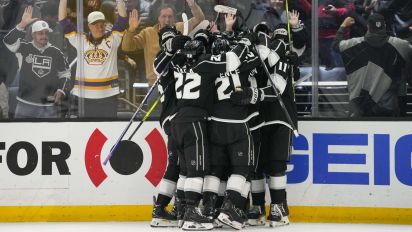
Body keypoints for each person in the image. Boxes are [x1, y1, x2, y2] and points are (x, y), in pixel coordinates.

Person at [58, 0, 127, 118]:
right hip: (84, 97)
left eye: (102, 24)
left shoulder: (113, 39)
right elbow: (63, 21)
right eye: (95, 24)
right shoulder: (81, 40)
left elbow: (122, 20)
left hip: (108, 97)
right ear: (89, 26)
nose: (100, 27)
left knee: (109, 132)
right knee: (85, 133)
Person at [333, 14, 412, 117]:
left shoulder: (353, 44)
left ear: (368, 27)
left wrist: (343, 26)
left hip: (360, 108)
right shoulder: (400, 45)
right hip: (390, 108)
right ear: (384, 26)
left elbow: (336, 45)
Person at [3, 6, 71, 119]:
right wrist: (22, 25)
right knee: (22, 135)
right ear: (33, 34)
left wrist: (61, 90)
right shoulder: (24, 48)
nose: (44, 36)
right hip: (24, 105)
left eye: (46, 33)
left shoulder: (56, 52)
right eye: (40, 33)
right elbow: (8, 41)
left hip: (49, 107)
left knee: (49, 136)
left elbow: (65, 73)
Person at [121, 0, 205, 87]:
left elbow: (200, 19)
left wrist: (192, 5)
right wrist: (131, 30)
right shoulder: (148, 32)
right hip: (155, 83)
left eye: (170, 16)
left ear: (174, 18)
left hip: (176, 81)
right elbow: (126, 47)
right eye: (163, 16)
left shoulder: (180, 27)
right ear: (158, 18)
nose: (167, 20)